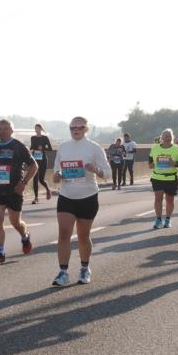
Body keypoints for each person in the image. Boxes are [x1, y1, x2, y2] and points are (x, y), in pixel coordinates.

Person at [51, 116, 110, 286]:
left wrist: (95, 170)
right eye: (72, 127)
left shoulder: (94, 148)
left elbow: (107, 173)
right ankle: (63, 272)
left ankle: (85, 268)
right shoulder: (63, 147)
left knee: (83, 236)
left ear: (86, 129)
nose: (76, 130)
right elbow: (56, 174)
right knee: (63, 233)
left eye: (80, 127)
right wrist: (58, 175)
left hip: (88, 196)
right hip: (67, 196)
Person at [0, 119, 35, 265]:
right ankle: (0, 253)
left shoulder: (18, 146)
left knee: (15, 222)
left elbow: (34, 166)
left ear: (11, 131)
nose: (2, 131)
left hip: (14, 190)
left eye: (5, 129)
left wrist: (23, 182)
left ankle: (24, 235)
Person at [148, 129, 178, 228]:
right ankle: (158, 219)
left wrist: (175, 163)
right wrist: (153, 164)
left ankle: (168, 219)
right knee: (158, 198)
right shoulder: (155, 148)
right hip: (157, 177)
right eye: (165, 136)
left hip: (171, 178)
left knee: (169, 200)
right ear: (161, 137)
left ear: (172, 137)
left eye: (169, 136)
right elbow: (150, 163)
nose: (167, 138)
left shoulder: (176, 149)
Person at [29, 123, 53, 203]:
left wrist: (43, 148)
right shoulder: (33, 138)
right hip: (35, 159)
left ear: (41, 129)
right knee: (35, 179)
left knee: (41, 179)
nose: (36, 130)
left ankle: (48, 189)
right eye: (35, 128)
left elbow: (50, 148)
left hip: (43, 159)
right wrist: (31, 150)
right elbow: (32, 147)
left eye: (38, 128)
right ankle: (36, 198)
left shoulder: (45, 138)